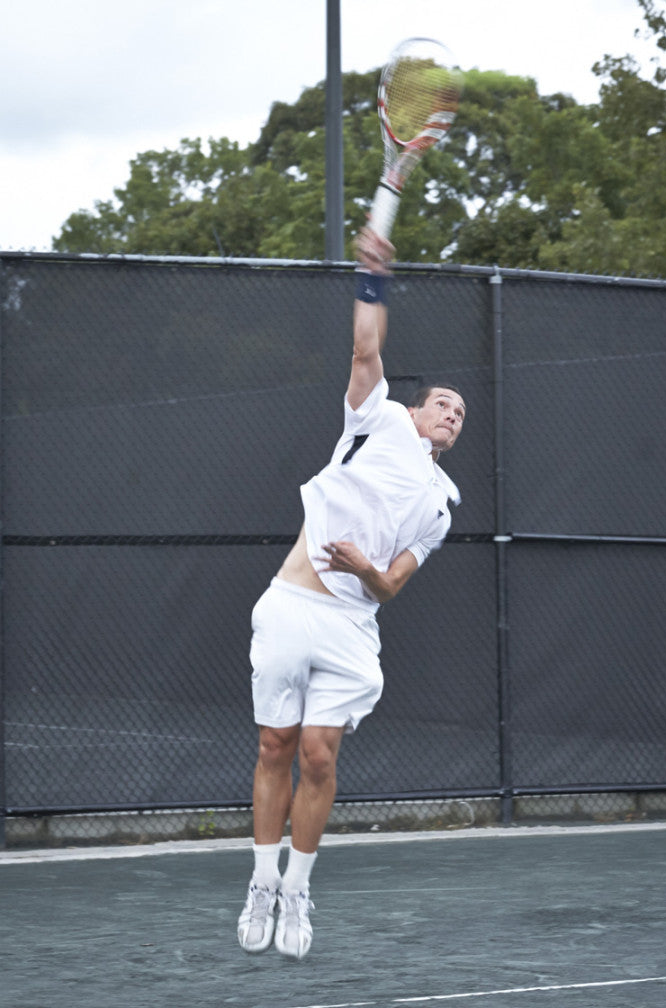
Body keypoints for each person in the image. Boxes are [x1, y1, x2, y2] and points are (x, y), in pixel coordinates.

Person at [237, 225, 466, 960]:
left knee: (320, 757)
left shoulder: (439, 508)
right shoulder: (379, 420)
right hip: (291, 603)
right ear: (417, 408)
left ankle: (299, 890)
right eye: (442, 403)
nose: (450, 414)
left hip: (352, 626)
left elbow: (393, 583)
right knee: (275, 744)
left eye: (460, 414)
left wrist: (363, 566)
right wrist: (374, 276)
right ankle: (261, 881)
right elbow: (366, 349)